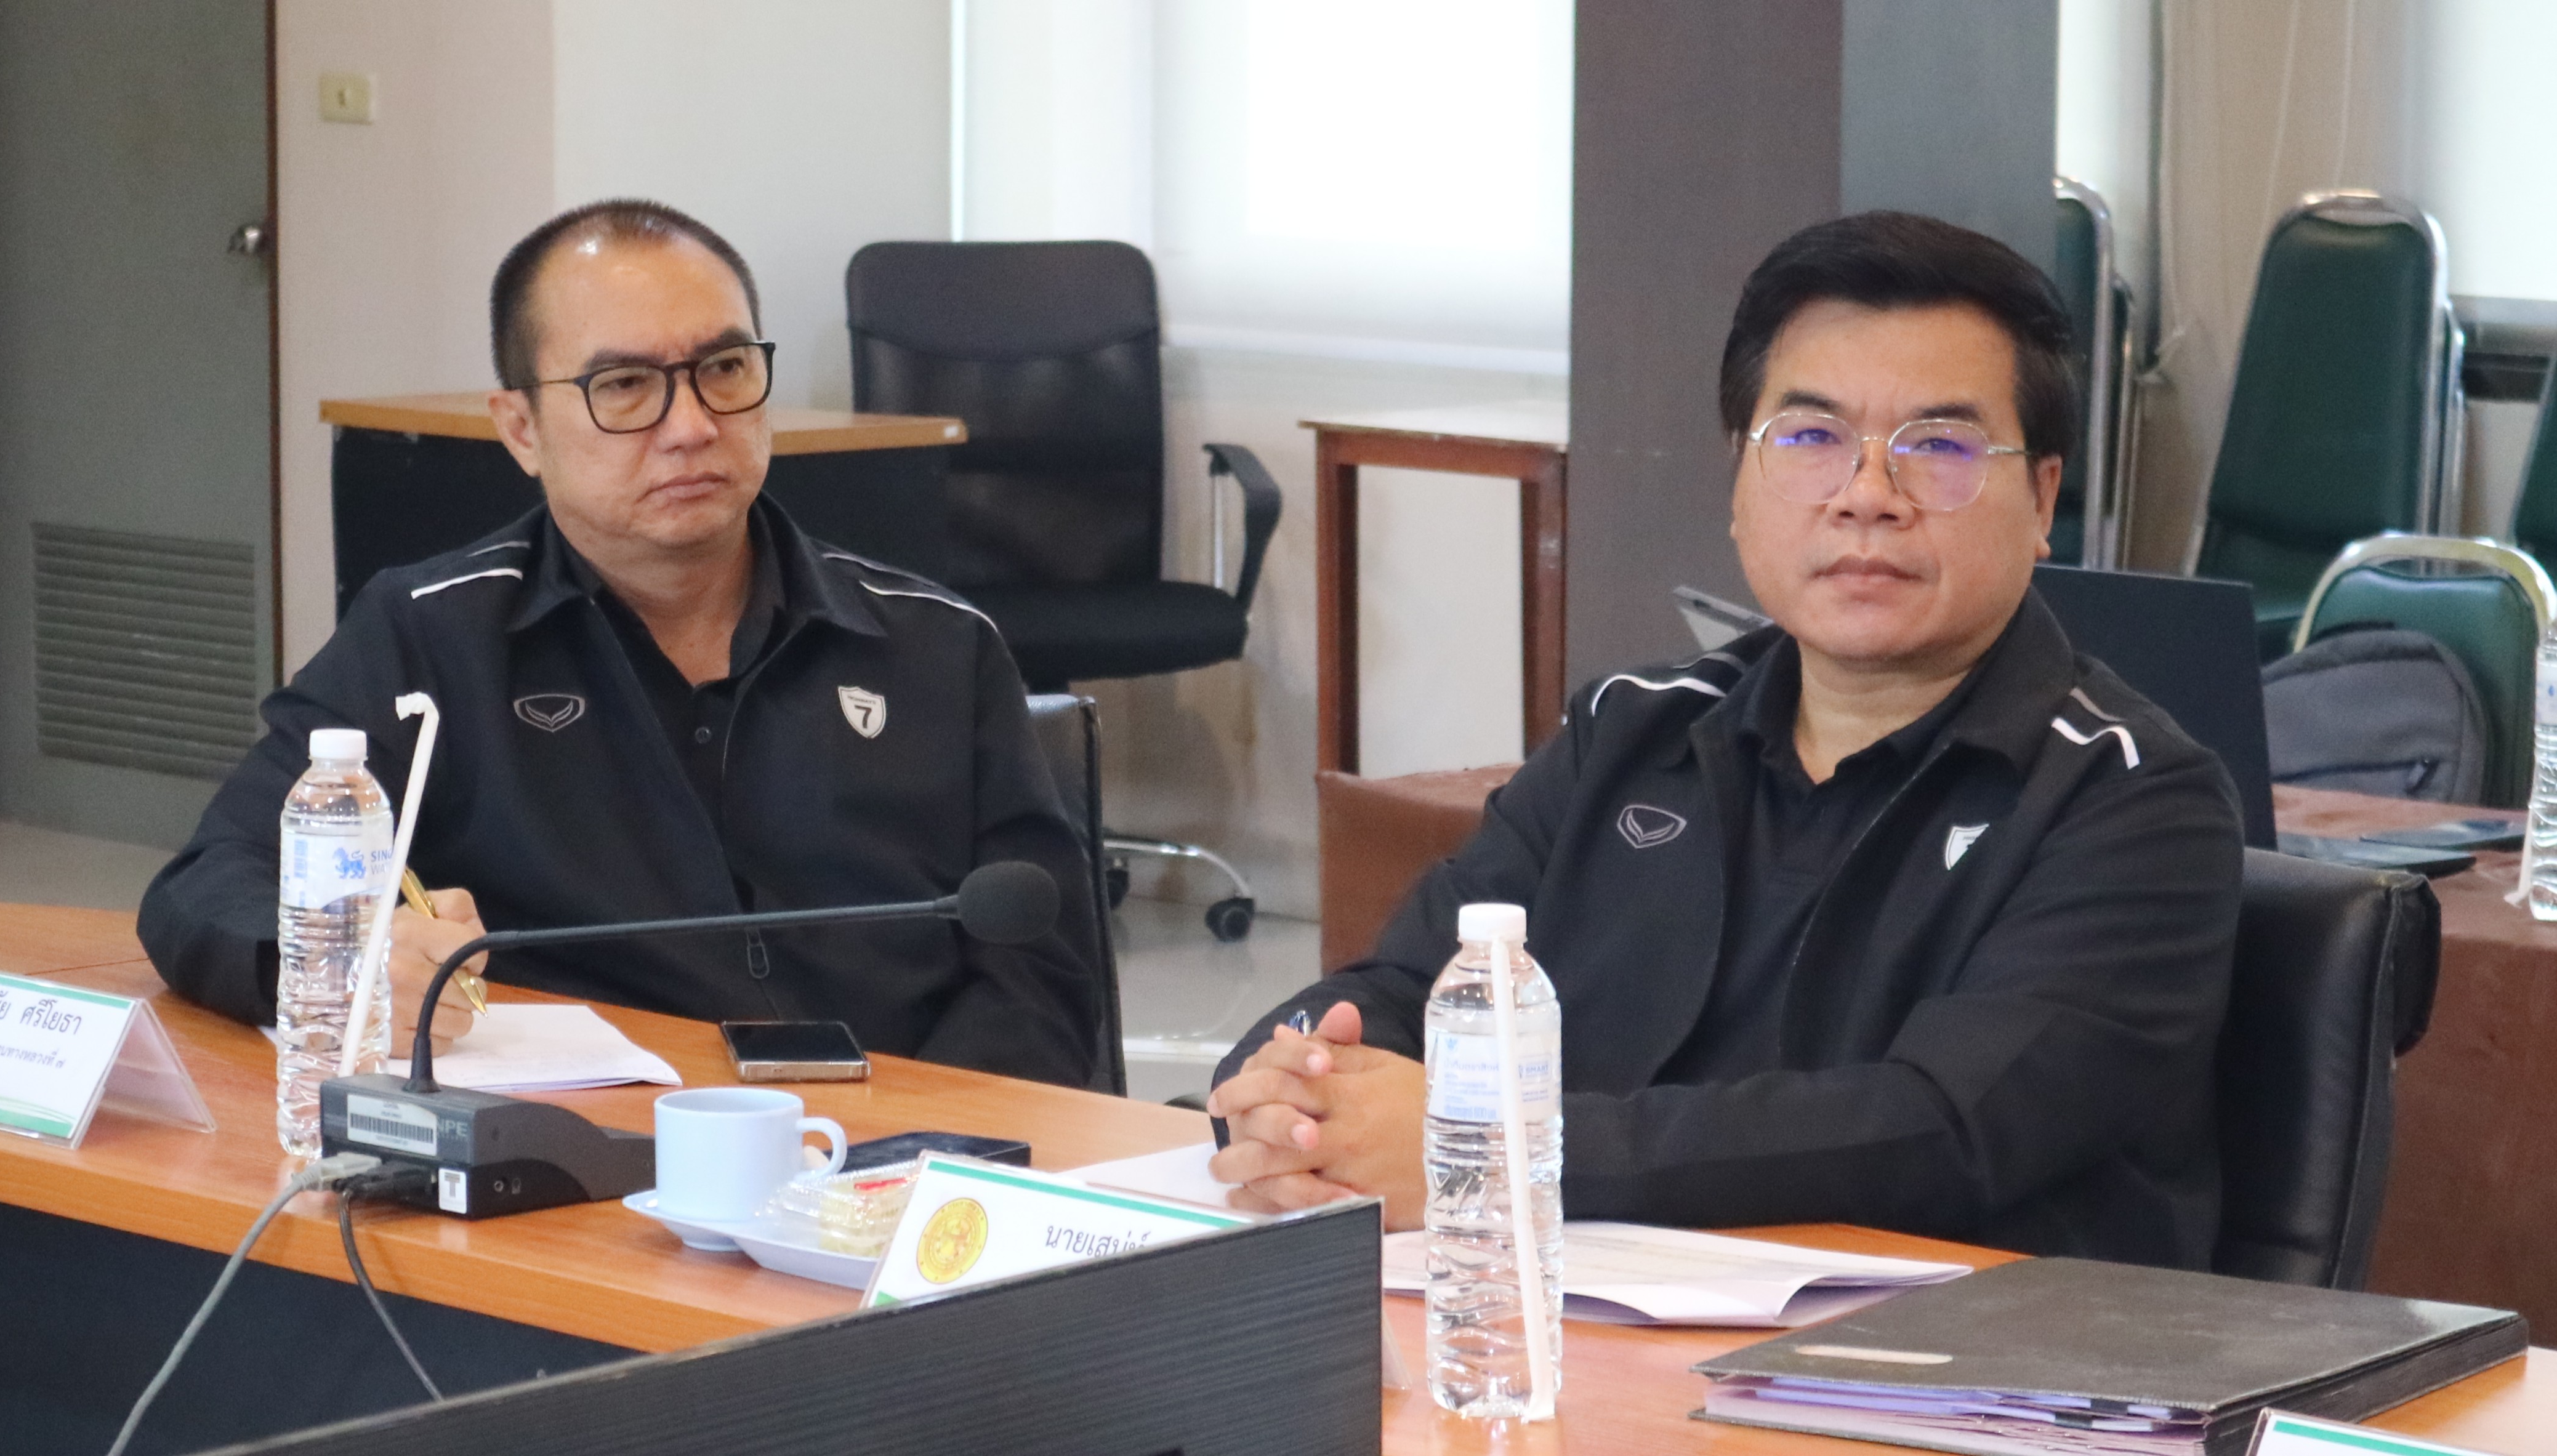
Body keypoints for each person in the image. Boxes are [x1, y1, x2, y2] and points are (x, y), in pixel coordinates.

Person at [1208, 212, 2244, 1267]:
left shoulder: (2133, 802)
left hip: (1943, 1353)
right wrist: (1290, 1095)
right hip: (1587, 1323)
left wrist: (1502, 1150)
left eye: (1938, 448)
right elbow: (1405, 988)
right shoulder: (1633, 729)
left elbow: (1939, 1132)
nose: (1867, 497)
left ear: (2042, 497)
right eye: (1810, 440)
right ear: (1739, 485)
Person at [142, 199, 1101, 1087]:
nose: (692, 426)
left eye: (726, 370)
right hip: (586, 1158)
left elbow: (1041, 976)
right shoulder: (433, 636)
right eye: (625, 386)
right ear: (521, 428)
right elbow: (209, 882)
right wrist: (348, 965)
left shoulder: (937, 645)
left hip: (903, 1161)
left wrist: (911, 1150)